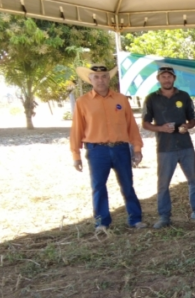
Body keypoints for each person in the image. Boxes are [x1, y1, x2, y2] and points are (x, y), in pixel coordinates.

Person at [70, 63, 146, 232]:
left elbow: (131, 126)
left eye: (104, 76)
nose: (100, 80)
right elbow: (77, 129)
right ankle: (102, 222)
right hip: (97, 150)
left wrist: (137, 149)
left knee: (127, 184)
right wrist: (76, 155)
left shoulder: (121, 99)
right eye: (96, 77)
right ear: (90, 80)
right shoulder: (82, 102)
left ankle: (135, 219)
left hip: (121, 149)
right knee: (98, 187)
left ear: (108, 78)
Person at [142, 65, 195, 229]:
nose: (167, 79)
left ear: (174, 78)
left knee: (193, 180)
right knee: (163, 183)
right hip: (165, 148)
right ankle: (164, 216)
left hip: (185, 145)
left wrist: (188, 126)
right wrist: (161, 128)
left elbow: (193, 119)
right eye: (163, 77)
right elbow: (145, 123)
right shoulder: (151, 98)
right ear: (158, 79)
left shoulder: (184, 96)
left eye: (169, 76)